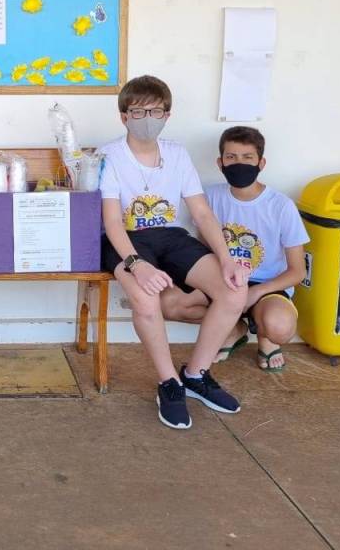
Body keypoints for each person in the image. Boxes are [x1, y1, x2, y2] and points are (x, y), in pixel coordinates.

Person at [98, 75, 248, 430]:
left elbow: (202, 213)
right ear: (124, 116)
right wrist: (136, 264)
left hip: (170, 236)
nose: (147, 119)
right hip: (127, 240)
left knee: (234, 289)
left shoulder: (177, 154)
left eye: (156, 111)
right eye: (138, 112)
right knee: (146, 297)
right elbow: (112, 222)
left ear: (167, 115)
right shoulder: (109, 156)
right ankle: (169, 383)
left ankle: (196, 375)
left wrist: (227, 259)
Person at [160, 126, 309, 372]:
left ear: (261, 163)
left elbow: (298, 271)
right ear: (220, 163)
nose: (239, 163)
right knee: (169, 303)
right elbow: (205, 249)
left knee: (280, 327)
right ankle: (234, 328)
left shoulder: (282, 206)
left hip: (267, 286)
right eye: (231, 157)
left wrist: (255, 292)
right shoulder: (209, 197)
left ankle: (266, 338)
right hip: (224, 281)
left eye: (247, 157)